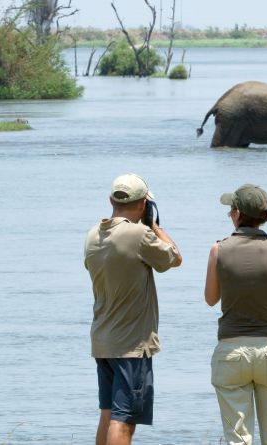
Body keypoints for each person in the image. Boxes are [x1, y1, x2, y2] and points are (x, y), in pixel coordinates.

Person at [84, 173, 183, 445]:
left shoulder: (93, 235)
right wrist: (155, 226)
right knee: (125, 419)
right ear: (143, 205)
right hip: (131, 344)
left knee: (108, 413)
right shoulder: (140, 235)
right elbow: (174, 257)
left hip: (103, 340)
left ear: (111, 200)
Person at [204, 184, 267, 445]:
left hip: (232, 352)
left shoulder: (218, 250)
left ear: (236, 214)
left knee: (238, 440)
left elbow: (211, 298)